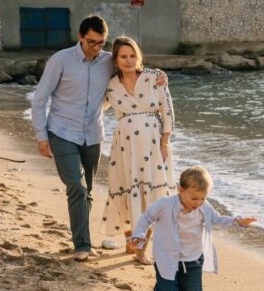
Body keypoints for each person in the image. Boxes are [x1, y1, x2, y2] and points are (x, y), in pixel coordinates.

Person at [31, 15, 166, 261]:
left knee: (89, 191)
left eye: (101, 42)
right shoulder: (60, 60)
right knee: (77, 187)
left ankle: (86, 241)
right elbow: (40, 99)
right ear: (80, 37)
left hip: (93, 135)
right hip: (62, 132)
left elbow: (132, 72)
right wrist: (41, 136)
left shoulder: (108, 61)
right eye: (91, 42)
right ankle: (82, 245)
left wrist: (159, 75)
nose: (96, 48)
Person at [128, 166, 256, 291]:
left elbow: (217, 219)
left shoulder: (204, 207)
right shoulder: (165, 204)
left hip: (193, 258)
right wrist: (139, 234)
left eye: (203, 198)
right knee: (167, 289)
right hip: (166, 257)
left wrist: (238, 221)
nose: (198, 202)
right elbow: (146, 217)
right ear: (180, 189)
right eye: (194, 198)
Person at [101, 36, 175, 264]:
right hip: (124, 146)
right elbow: (96, 108)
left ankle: (142, 249)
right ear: (115, 59)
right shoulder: (111, 85)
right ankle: (130, 242)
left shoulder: (154, 78)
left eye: (132, 55)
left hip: (153, 144)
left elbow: (168, 112)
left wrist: (164, 144)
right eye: (123, 56)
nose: (129, 60)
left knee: (153, 196)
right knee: (124, 189)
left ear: (138, 56)